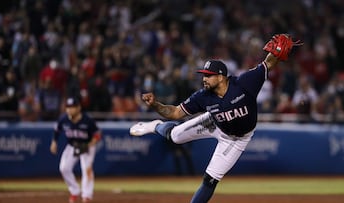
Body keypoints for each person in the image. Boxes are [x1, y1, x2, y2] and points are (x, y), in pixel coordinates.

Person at [129, 34, 302, 203]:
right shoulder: (203, 96)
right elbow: (174, 113)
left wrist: (277, 51)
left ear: (221, 77)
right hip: (213, 123)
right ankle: (155, 126)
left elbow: (269, 63)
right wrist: (155, 105)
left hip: (236, 140)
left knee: (210, 180)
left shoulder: (245, 83)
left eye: (208, 75)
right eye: (203, 75)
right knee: (174, 136)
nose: (204, 78)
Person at [50, 96, 101, 203]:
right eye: (68, 107)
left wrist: (91, 143)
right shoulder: (63, 119)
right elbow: (57, 130)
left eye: (72, 107)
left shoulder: (87, 120)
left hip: (87, 146)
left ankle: (86, 196)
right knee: (64, 168)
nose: (69, 109)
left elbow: (97, 134)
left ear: (78, 108)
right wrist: (54, 142)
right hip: (72, 145)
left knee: (86, 169)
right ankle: (74, 191)